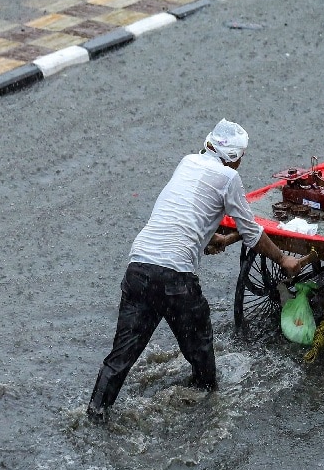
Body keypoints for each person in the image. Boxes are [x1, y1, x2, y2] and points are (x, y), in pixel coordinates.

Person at [86, 119, 305, 423]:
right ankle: (206, 411)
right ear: (235, 157)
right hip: (175, 278)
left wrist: (209, 238)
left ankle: (95, 413)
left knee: (120, 356)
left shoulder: (188, 162)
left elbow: (185, 211)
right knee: (201, 353)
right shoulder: (229, 178)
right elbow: (252, 233)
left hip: (138, 268)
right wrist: (284, 260)